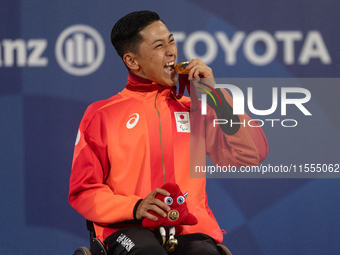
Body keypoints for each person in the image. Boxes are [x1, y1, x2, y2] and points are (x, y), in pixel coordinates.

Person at [69, 10, 268, 255]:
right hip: (127, 227)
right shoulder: (102, 114)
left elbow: (251, 154)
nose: (171, 51)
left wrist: (214, 96)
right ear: (133, 61)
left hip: (190, 228)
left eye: (171, 41)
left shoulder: (195, 107)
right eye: (159, 45)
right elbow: (84, 190)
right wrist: (136, 206)